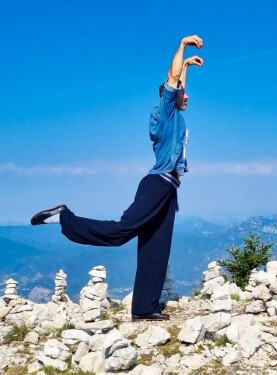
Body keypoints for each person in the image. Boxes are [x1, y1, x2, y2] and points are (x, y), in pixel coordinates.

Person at [30, 35, 204, 322]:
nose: (187, 95)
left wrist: (186, 65)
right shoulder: (165, 111)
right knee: (122, 231)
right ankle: (63, 218)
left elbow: (178, 80)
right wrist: (182, 45)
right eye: (181, 92)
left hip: (169, 190)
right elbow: (172, 80)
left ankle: (144, 308)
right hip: (157, 184)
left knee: (156, 248)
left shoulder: (175, 115)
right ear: (169, 95)